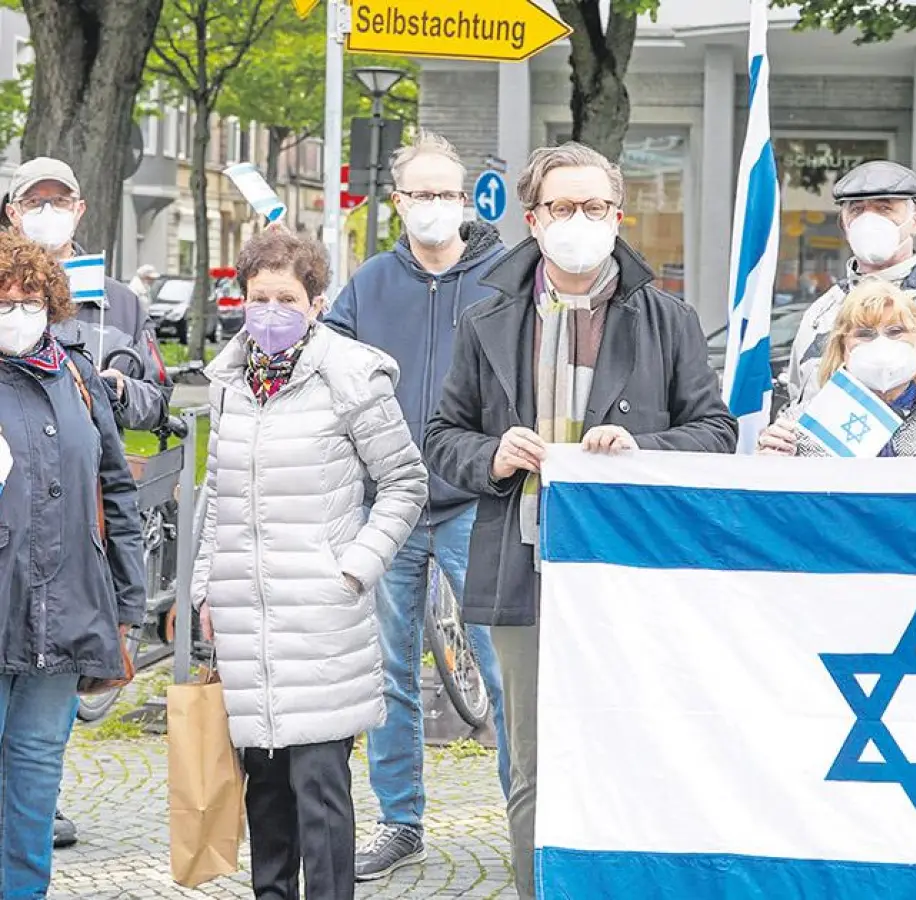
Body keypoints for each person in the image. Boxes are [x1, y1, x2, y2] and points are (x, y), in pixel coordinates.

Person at [423, 141, 738, 899]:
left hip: (629, 573)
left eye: (595, 208)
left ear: (617, 216)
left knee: (634, 740)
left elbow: (716, 432)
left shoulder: (667, 319)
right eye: (563, 208)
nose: (580, 221)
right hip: (523, 565)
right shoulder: (487, 320)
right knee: (532, 757)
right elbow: (442, 436)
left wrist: (641, 447)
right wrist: (494, 453)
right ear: (533, 219)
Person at [191, 230, 428, 900]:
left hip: (321, 616)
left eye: (285, 298)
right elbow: (221, 493)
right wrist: (207, 586)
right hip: (246, 617)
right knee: (263, 792)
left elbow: (406, 482)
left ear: (316, 302)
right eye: (257, 297)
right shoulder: (229, 381)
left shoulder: (351, 375)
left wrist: (354, 568)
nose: (268, 310)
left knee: (319, 791)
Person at [322, 129, 511, 882]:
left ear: (465, 201)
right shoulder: (369, 283)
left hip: (478, 497)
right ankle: (400, 821)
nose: (433, 206)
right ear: (397, 202)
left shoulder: (506, 278)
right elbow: (325, 367)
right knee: (389, 671)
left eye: (446, 193)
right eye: (419, 194)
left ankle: (524, 812)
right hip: (390, 504)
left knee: (504, 667)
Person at [0, 230, 144, 896]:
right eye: (3, 298)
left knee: (35, 779)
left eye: (30, 296)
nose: (17, 309)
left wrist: (129, 604)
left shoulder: (77, 375)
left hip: (64, 614)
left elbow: (115, 489)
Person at [6, 158, 170, 435]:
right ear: (13, 213)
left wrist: (123, 391)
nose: (48, 211)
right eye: (34, 202)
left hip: (92, 473)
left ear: (78, 210)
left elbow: (158, 402)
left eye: (60, 201)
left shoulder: (122, 304)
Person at [757, 280, 916, 458]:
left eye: (896, 332)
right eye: (865, 334)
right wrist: (767, 468)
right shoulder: (799, 428)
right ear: (843, 348)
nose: (882, 344)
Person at [783, 160, 916, 412]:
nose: (869, 220)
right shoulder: (822, 312)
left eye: (884, 209)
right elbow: (800, 395)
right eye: (857, 210)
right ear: (844, 224)